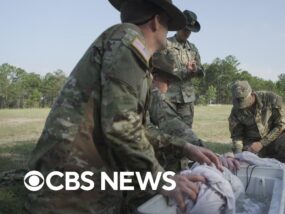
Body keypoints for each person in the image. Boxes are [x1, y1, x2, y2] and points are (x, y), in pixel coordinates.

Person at [25, 0, 222, 213]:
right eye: (168, 24)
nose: (169, 32)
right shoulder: (130, 39)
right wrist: (161, 178)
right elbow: (120, 125)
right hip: (69, 187)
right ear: (156, 21)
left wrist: (184, 147)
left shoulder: (132, 51)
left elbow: (134, 127)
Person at [149, 51, 239, 173]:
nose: (169, 85)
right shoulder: (153, 94)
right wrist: (211, 155)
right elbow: (174, 126)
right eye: (167, 80)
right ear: (154, 78)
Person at [228, 80, 285, 163]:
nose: (242, 106)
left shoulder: (271, 99)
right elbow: (237, 136)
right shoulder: (236, 110)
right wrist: (239, 155)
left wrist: (261, 143)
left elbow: (280, 125)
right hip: (251, 145)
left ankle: (279, 162)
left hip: (273, 139)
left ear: (252, 94)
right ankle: (266, 160)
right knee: (248, 161)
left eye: (244, 101)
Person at [164, 10, 204, 128]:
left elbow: (202, 72)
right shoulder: (166, 44)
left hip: (187, 99)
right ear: (178, 27)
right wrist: (184, 71)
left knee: (187, 132)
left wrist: (195, 70)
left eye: (190, 30)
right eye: (185, 29)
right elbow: (159, 69)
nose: (187, 33)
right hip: (168, 97)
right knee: (168, 130)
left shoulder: (193, 49)